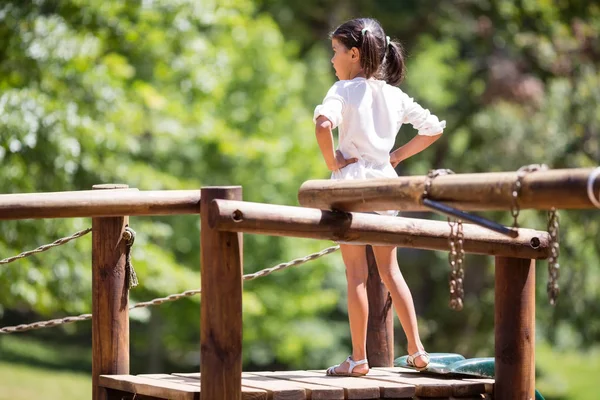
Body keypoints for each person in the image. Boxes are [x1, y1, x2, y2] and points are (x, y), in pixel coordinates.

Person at [313, 17, 445, 377]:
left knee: (356, 273)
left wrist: (332, 160)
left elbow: (323, 124)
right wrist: (397, 157)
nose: (332, 60)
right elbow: (432, 128)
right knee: (390, 271)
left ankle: (358, 359)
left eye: (336, 52)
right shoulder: (393, 94)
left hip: (351, 187)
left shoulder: (343, 91)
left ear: (353, 54)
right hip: (386, 188)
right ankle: (417, 349)